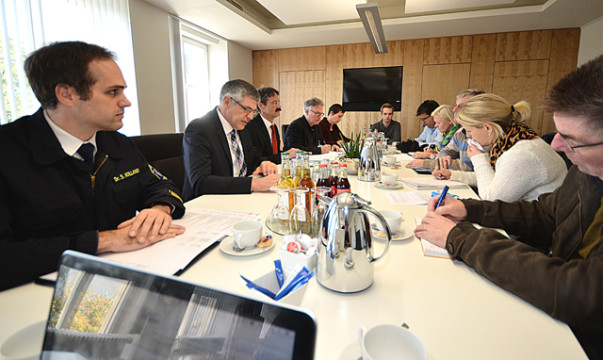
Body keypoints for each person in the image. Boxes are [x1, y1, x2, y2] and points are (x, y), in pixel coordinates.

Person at [415, 54, 603, 359]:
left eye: (572, 139)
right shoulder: (587, 172)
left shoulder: (524, 153)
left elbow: (578, 293)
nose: (555, 145)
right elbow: (545, 213)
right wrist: (469, 210)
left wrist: (459, 237)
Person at [0, 41, 186, 291]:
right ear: (66, 94)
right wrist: (103, 241)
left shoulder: (116, 143)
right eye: (113, 92)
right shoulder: (9, 154)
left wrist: (160, 208)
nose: (126, 102)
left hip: (124, 281)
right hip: (37, 297)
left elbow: (158, 184)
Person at [450, 94, 567, 201]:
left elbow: (491, 200)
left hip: (542, 222)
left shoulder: (521, 154)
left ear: (488, 128)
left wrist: (479, 158)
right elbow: (494, 180)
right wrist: (452, 175)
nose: (469, 136)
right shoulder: (514, 138)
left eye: (469, 131)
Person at [182, 79, 280, 200]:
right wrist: (253, 184)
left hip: (238, 198)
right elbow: (201, 182)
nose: (250, 116)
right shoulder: (199, 129)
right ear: (227, 102)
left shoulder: (241, 127)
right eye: (247, 109)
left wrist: (263, 163)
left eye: (253, 112)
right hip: (207, 204)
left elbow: (252, 156)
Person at [432, 89, 484, 180]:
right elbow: (445, 151)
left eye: (460, 106)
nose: (454, 109)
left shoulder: (485, 134)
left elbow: (469, 166)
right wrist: (442, 158)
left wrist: (426, 163)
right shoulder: (460, 132)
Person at [245, 87, 298, 164]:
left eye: (279, 102)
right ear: (261, 106)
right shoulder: (252, 127)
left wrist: (290, 154)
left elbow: (275, 154)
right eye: (274, 103)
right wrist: (286, 155)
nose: (279, 106)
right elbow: (258, 159)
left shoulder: (273, 127)